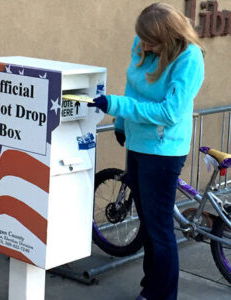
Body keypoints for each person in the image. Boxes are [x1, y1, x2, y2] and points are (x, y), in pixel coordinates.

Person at [88, 2, 205, 300]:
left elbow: (169, 113)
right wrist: (121, 123)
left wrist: (116, 106)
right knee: (149, 224)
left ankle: (163, 295)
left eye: (149, 40)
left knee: (160, 227)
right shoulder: (143, 43)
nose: (142, 44)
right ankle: (150, 288)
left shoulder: (188, 58)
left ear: (167, 37)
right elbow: (133, 88)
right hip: (139, 144)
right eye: (140, 38)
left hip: (164, 151)